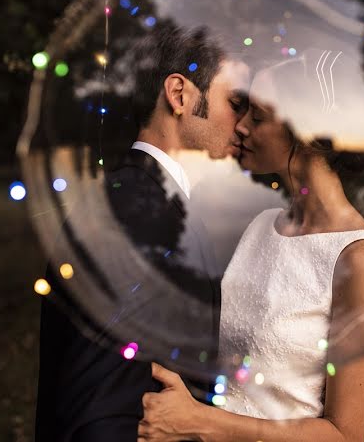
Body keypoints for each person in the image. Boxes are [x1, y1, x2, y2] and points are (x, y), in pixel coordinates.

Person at [138, 50, 364, 442]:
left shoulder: (362, 262)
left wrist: (202, 422)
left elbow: (346, 435)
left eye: (257, 117)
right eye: (242, 110)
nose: (239, 127)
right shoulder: (261, 225)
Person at [35, 26, 249, 442]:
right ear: (180, 94)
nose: (243, 126)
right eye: (235, 102)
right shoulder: (137, 214)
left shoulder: (155, 204)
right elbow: (96, 413)